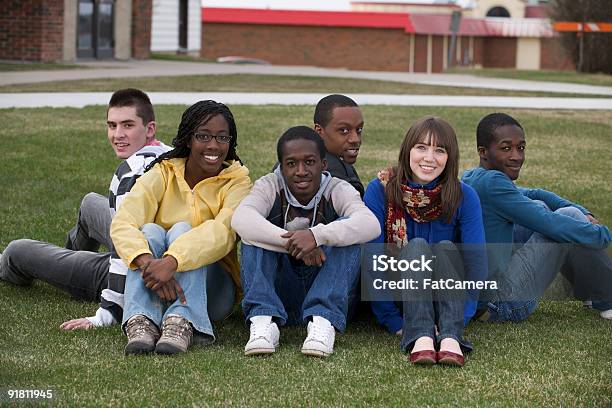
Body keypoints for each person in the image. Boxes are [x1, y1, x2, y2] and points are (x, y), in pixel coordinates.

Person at [0, 88, 170, 329]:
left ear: (149, 129)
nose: (118, 134)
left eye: (128, 125)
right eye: (112, 125)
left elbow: (124, 251)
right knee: (91, 202)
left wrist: (107, 313)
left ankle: (18, 267)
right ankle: (70, 258)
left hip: (138, 270)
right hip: (157, 246)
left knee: (18, 251)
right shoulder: (167, 153)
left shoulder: (131, 174)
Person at [112, 100, 251, 355]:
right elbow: (124, 220)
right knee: (151, 231)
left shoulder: (238, 182)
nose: (213, 146)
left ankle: (183, 322)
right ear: (188, 139)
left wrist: (173, 261)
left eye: (222, 138)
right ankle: (141, 321)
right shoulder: (163, 172)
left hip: (213, 289)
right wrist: (147, 263)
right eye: (203, 136)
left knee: (183, 230)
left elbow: (223, 233)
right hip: (155, 279)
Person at [232, 126, 380, 358]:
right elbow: (241, 220)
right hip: (282, 292)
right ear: (281, 167)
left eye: (309, 162)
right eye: (291, 164)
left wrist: (316, 236)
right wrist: (295, 244)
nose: (301, 171)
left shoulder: (338, 188)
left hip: (329, 290)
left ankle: (322, 322)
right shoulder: (270, 185)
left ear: (323, 164)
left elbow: (370, 224)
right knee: (254, 233)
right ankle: (263, 321)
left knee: (350, 230)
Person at [462, 112, 612, 322]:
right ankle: (606, 296)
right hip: (502, 303)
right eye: (506, 148)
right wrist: (603, 234)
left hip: (488, 294)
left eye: (520, 147)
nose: (517, 156)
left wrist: (582, 210)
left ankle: (596, 293)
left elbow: (535, 194)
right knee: (566, 219)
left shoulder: (474, 176)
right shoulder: (493, 184)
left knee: (546, 207)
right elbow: (550, 223)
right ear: (483, 151)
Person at [364, 116, 487, 367]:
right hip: (403, 297)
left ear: (449, 158)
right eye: (421, 147)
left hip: (449, 296)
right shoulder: (381, 189)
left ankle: (451, 336)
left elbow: (476, 263)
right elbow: (373, 260)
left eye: (439, 150)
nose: (429, 158)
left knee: (444, 249)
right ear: (407, 150)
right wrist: (394, 321)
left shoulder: (464, 195)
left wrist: (461, 317)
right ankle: (419, 334)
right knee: (417, 247)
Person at [313, 94, 365, 197]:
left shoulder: (288, 159)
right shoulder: (340, 176)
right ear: (319, 131)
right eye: (344, 130)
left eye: (359, 130)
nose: (355, 139)